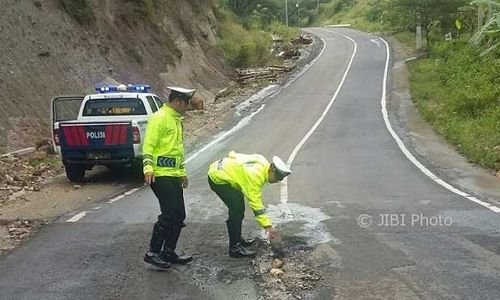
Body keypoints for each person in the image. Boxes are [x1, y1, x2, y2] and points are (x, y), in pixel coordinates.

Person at [143, 86, 195, 269]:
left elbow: (177, 151)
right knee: (169, 214)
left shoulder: (177, 121)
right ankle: (153, 252)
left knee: (179, 214)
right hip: (159, 175)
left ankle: (168, 252)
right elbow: (148, 145)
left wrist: (182, 173)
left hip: (173, 175)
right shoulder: (159, 118)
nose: (187, 108)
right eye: (186, 104)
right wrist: (148, 168)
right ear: (178, 102)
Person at [207, 151, 292, 258]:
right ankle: (235, 248)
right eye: (277, 178)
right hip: (218, 178)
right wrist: (267, 226)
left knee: (238, 208)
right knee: (236, 209)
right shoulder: (255, 177)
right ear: (271, 170)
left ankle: (237, 238)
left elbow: (234, 155)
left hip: (221, 168)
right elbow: (256, 204)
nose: (277, 181)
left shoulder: (261, 160)